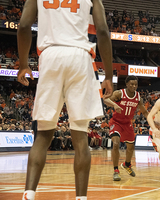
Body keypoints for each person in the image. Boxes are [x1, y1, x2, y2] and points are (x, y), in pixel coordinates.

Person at [17, 0, 113, 198]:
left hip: (50, 55)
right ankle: (80, 197)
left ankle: (28, 194)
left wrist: (24, 64)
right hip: (80, 57)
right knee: (80, 137)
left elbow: (24, 26)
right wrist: (109, 76)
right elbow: (103, 31)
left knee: (43, 135)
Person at [103, 76, 149, 181]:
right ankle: (116, 170)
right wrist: (115, 105)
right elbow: (106, 100)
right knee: (116, 144)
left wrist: (153, 122)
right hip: (116, 122)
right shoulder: (119, 93)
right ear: (127, 84)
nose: (134, 86)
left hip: (127, 124)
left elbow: (145, 112)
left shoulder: (138, 97)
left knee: (131, 147)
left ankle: (127, 164)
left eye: (136, 84)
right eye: (131, 84)